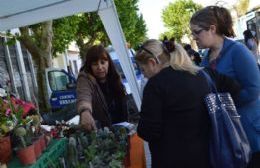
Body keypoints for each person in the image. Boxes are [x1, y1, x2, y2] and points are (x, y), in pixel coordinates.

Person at [135, 39, 240, 168]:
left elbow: (148, 131)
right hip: (210, 156)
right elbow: (234, 88)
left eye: (143, 70)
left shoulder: (155, 85)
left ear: (152, 63)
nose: (144, 76)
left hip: (172, 160)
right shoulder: (203, 73)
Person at [190, 6, 260, 167]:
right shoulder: (207, 57)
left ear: (212, 29)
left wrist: (226, 106)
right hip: (229, 131)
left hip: (249, 130)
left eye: (196, 32)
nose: (194, 37)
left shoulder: (238, 51)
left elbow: (254, 89)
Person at [76, 45, 128, 131]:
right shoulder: (85, 79)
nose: (99, 67)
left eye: (103, 62)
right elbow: (83, 96)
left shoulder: (114, 76)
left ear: (108, 63)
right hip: (101, 135)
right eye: (95, 64)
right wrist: (85, 112)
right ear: (90, 66)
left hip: (122, 130)